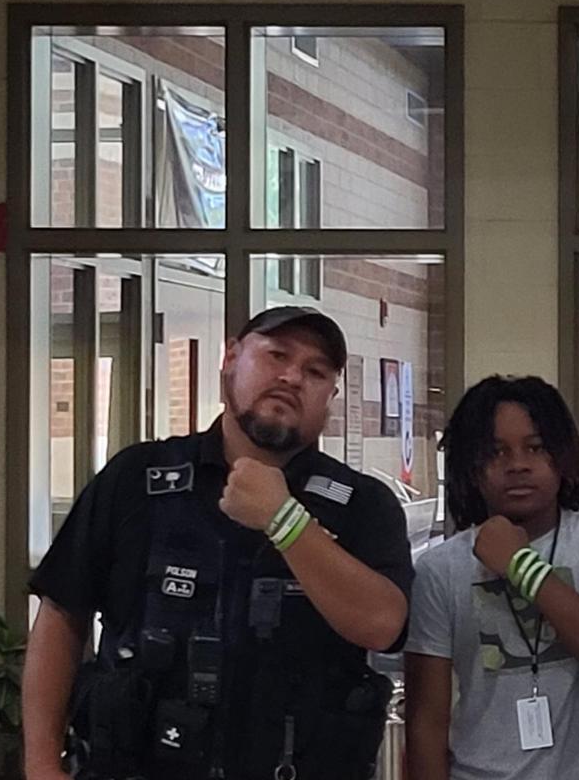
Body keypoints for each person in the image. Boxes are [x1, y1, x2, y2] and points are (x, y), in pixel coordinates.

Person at [22, 306, 414, 780]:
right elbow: (62, 614)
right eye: (277, 355)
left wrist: (284, 520)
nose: (292, 377)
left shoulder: (362, 504)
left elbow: (382, 625)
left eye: (316, 372)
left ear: (330, 397)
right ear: (230, 358)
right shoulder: (137, 478)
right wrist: (42, 765)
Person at [408, 376, 579, 780]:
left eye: (535, 447)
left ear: (562, 455)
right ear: (471, 467)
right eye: (496, 452)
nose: (517, 464)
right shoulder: (441, 568)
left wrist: (520, 565)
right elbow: (426, 724)